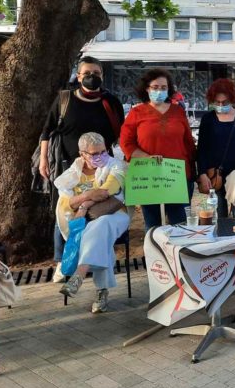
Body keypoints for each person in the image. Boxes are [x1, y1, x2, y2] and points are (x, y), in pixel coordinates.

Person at [39, 56, 125, 277]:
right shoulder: (64, 99)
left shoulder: (111, 102)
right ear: (78, 76)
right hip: (69, 165)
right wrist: (43, 160)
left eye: (96, 73)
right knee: (64, 208)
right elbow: (47, 131)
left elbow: (122, 134)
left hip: (102, 166)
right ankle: (62, 259)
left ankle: (93, 256)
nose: (91, 77)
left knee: (98, 211)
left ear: (102, 76)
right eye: (87, 73)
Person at [55, 132, 129, 313]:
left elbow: (106, 191)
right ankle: (101, 291)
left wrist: (83, 204)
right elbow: (65, 203)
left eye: (103, 151)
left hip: (115, 214)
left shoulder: (116, 165)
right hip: (86, 223)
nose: (100, 156)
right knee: (98, 233)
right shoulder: (72, 173)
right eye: (94, 154)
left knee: (101, 224)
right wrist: (88, 195)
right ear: (82, 154)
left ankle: (80, 274)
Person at [120, 68, 196, 230]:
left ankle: (177, 255)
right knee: (152, 223)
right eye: (155, 87)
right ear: (147, 88)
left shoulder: (178, 111)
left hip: (178, 176)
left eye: (163, 87)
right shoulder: (136, 113)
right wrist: (145, 157)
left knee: (180, 222)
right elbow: (126, 143)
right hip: (149, 176)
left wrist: (193, 172)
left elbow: (188, 143)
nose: (159, 91)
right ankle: (154, 255)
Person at [196, 79, 235, 217]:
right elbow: (201, 147)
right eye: (217, 102)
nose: (221, 105)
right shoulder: (208, 119)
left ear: (232, 100)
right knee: (219, 211)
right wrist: (202, 172)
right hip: (214, 174)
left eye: (225, 102)